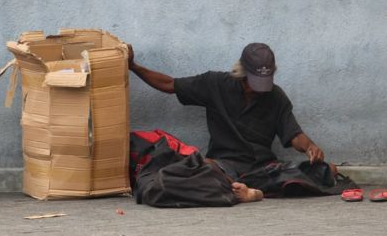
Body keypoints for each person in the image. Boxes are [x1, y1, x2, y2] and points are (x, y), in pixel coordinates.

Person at [129, 43, 348, 206]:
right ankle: (246, 191)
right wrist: (134, 67)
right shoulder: (214, 84)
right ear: (240, 74)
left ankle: (245, 191)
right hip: (223, 165)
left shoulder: (276, 96)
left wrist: (310, 147)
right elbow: (169, 84)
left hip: (263, 170)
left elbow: (294, 134)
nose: (259, 90)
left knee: (327, 171)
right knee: (189, 173)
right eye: (253, 84)